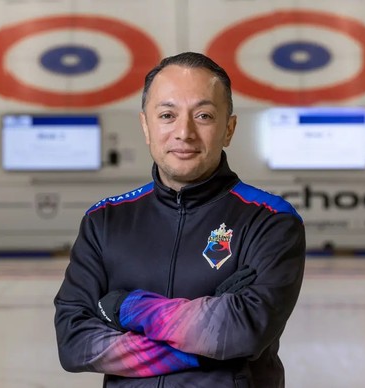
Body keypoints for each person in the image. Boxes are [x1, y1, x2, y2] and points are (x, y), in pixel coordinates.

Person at [54, 51, 306, 387]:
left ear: (228, 129)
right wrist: (206, 331)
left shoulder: (271, 221)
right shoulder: (104, 221)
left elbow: (243, 332)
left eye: (203, 115)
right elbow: (74, 343)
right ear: (146, 125)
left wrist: (128, 307)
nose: (184, 132)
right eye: (167, 115)